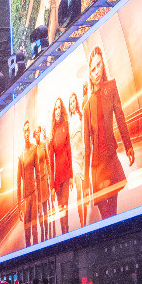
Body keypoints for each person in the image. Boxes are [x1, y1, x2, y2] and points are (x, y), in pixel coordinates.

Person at [83, 46, 134, 221]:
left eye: (98, 65)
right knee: (105, 217)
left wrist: (128, 147)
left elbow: (120, 118)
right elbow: (87, 147)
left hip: (110, 159)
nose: (96, 71)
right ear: (89, 74)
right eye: (93, 68)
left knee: (113, 213)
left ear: (103, 65)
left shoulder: (111, 87)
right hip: (97, 168)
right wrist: (85, 181)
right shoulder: (87, 105)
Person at [49, 98, 73, 238]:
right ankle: (64, 234)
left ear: (62, 110)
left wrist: (70, 175)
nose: (57, 111)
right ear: (54, 112)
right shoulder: (52, 132)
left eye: (59, 108)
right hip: (57, 177)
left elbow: (69, 150)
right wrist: (52, 185)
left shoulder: (65, 125)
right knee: (60, 208)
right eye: (55, 108)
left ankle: (67, 232)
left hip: (65, 174)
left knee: (65, 206)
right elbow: (50, 162)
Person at [18, 121, 42, 247]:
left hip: (33, 194)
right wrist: (19, 206)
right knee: (26, 232)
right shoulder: (21, 155)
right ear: (23, 133)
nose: (27, 133)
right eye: (25, 131)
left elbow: (38, 174)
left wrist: (39, 201)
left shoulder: (34, 149)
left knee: (34, 230)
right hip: (26, 198)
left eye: (28, 130)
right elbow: (18, 183)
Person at [67, 92, 88, 229]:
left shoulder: (81, 118)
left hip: (83, 157)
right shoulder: (68, 123)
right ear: (69, 106)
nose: (73, 104)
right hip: (74, 159)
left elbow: (86, 134)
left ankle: (85, 221)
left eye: (74, 101)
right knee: (79, 191)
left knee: (85, 191)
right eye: (71, 102)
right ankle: (82, 225)